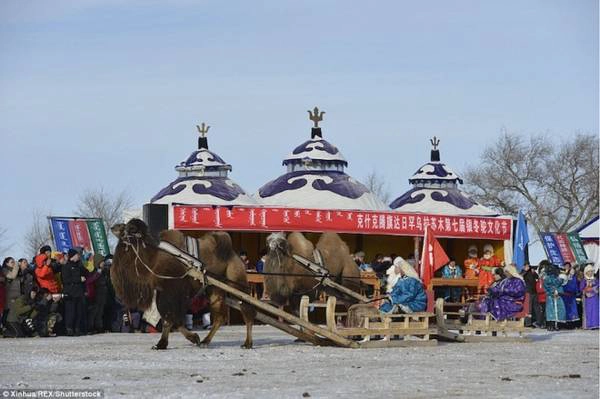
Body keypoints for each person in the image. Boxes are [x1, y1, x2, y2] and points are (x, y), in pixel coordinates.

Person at [62, 249, 86, 336]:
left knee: (79, 312)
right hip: (70, 293)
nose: (78, 256)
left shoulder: (79, 266)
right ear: (73, 256)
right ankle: (69, 329)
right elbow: (66, 279)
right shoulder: (66, 266)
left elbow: (87, 273)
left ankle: (77, 328)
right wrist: (78, 279)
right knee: (70, 312)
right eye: (77, 255)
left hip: (79, 293)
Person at [86, 254, 108, 334]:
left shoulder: (104, 271)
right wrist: (97, 274)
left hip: (103, 293)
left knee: (100, 311)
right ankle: (91, 327)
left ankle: (99, 326)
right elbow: (90, 281)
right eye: (102, 262)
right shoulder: (94, 272)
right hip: (96, 294)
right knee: (94, 311)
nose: (103, 263)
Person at [542, 261, 566, 331]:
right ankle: (553, 325)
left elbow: (546, 288)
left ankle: (553, 325)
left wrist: (554, 292)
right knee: (553, 311)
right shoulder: (557, 279)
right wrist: (556, 291)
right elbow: (547, 287)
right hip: (553, 296)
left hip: (553, 296)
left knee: (553, 311)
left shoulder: (549, 279)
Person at [522, 262, 544, 328]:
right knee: (529, 308)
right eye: (526, 266)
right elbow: (520, 275)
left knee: (536, 308)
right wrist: (525, 270)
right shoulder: (524, 272)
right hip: (528, 292)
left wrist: (534, 272)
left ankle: (539, 322)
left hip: (534, 292)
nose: (527, 267)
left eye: (528, 266)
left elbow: (538, 279)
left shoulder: (533, 273)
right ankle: (528, 323)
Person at [560, 262, 580, 327]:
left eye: (568, 266)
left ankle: (572, 324)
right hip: (564, 295)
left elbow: (574, 284)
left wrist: (575, 291)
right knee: (565, 309)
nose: (567, 267)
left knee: (572, 309)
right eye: (565, 266)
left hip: (571, 295)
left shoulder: (572, 275)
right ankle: (565, 323)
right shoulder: (561, 274)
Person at [580, 265, 599, 329]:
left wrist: (594, 289)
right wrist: (587, 289)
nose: (590, 273)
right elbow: (581, 288)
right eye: (589, 271)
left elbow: (598, 287)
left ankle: (596, 324)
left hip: (595, 297)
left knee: (595, 311)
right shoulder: (584, 280)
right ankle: (589, 324)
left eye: (591, 271)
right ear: (586, 272)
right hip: (587, 298)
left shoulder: (596, 280)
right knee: (588, 311)